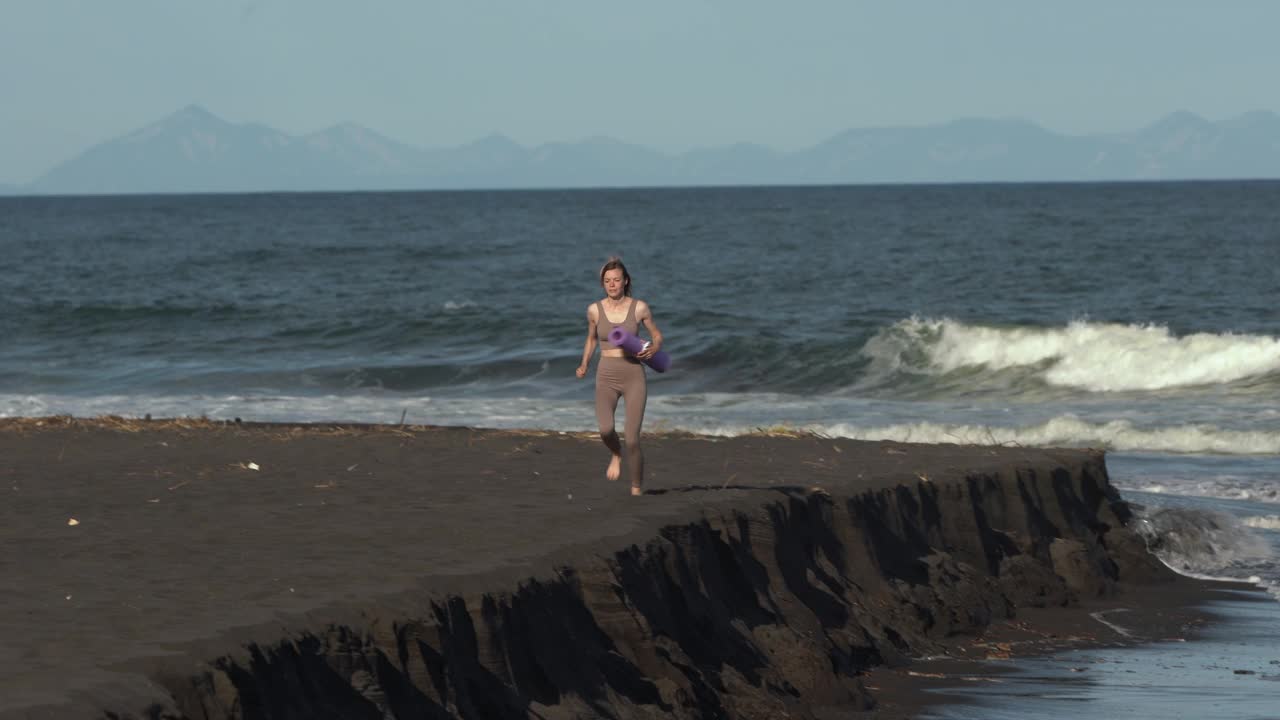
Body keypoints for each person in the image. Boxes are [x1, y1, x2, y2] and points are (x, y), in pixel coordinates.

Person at [575, 258, 663, 496]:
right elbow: (592, 339)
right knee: (605, 430)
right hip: (606, 375)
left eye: (616, 280)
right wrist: (584, 363)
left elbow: (656, 335)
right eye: (607, 281)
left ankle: (636, 488)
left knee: (633, 439)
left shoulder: (639, 308)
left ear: (625, 281)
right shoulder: (594, 310)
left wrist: (654, 348)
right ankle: (615, 453)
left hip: (634, 375)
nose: (612, 284)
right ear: (603, 284)